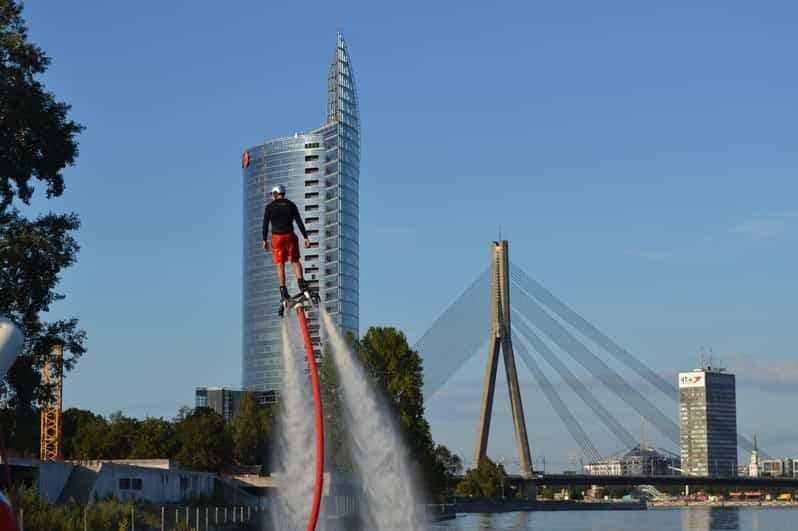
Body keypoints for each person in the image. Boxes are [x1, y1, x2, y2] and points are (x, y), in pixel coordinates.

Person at [262, 184, 311, 303]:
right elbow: (299, 221)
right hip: (290, 236)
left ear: (275, 194)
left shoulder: (269, 207)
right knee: (295, 261)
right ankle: (302, 284)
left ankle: (283, 291)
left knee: (280, 264)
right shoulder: (291, 205)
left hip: (277, 238)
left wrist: (264, 240)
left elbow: (265, 225)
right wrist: (305, 237)